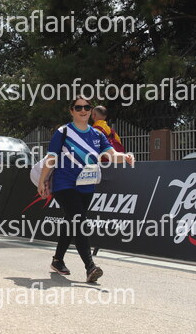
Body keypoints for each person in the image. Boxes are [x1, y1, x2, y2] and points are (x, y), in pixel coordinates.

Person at [38, 96, 134, 283]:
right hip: (64, 185)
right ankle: (90, 267)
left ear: (91, 111)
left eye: (87, 107)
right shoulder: (63, 132)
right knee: (79, 221)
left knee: (71, 222)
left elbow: (111, 155)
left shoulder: (97, 135)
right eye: (78, 107)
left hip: (87, 186)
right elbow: (51, 158)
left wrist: (126, 157)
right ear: (71, 111)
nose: (83, 110)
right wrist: (42, 181)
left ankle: (57, 260)